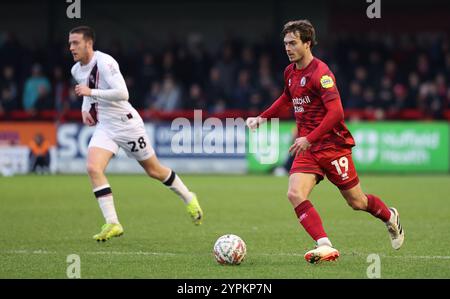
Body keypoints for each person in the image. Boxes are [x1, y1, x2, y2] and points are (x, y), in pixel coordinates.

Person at [246, 20, 404, 264]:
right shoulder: (290, 72)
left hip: (332, 146)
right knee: (294, 193)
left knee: (357, 202)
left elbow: (336, 114)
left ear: (307, 43)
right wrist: (261, 118)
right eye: (285, 43)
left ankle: (389, 216)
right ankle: (325, 245)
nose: (287, 48)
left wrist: (308, 138)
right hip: (308, 149)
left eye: (293, 43)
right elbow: (286, 99)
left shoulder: (322, 73)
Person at [69, 26, 203, 242]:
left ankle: (189, 196)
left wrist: (91, 93)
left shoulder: (105, 62)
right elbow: (86, 90)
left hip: (127, 124)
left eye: (75, 43)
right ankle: (113, 223)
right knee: (93, 168)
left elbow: (123, 93)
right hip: (105, 127)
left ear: (89, 44)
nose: (71, 47)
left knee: (154, 171)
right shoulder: (76, 70)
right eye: (70, 43)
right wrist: (86, 108)